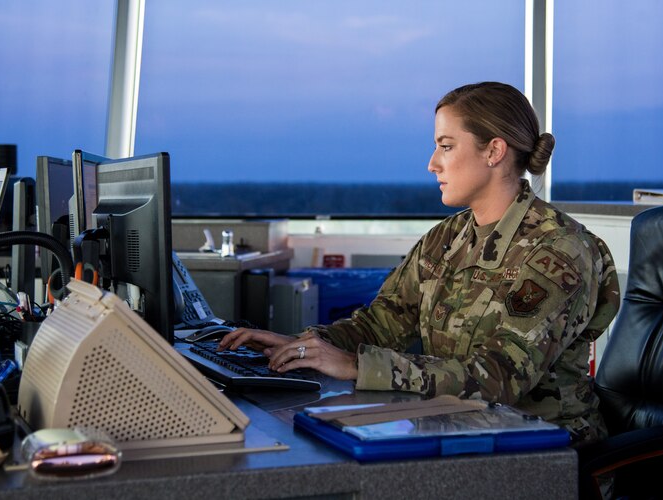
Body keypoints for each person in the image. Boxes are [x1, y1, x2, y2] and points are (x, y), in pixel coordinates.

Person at [219, 82, 620, 445]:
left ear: (494, 151)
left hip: (545, 454)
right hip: (459, 433)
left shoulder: (558, 250)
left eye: (446, 146)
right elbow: (381, 323)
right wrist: (308, 346)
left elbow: (499, 378)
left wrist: (358, 366)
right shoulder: (446, 238)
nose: (432, 163)